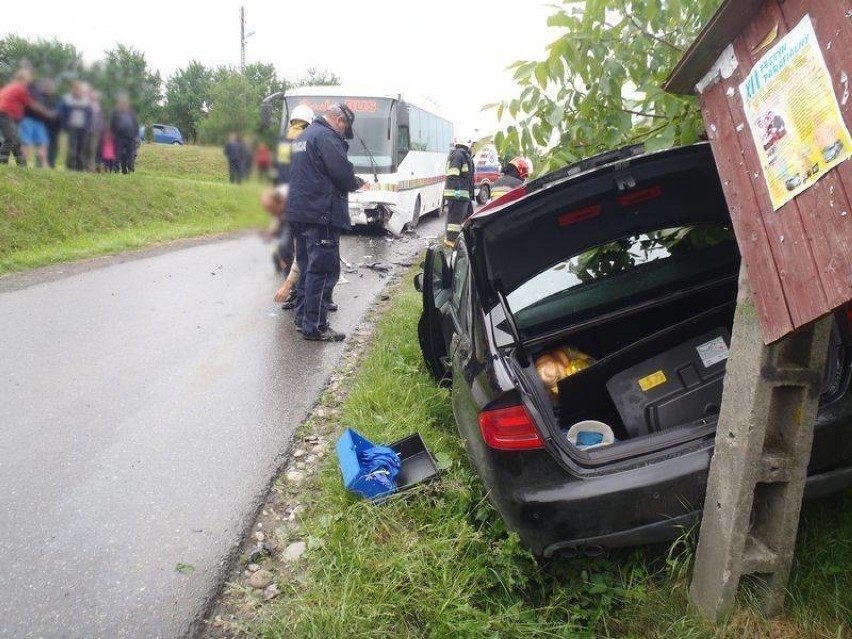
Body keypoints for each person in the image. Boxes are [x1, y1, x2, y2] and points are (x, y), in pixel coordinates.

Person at [288, 103, 364, 342]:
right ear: (340, 120)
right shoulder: (327, 137)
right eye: (345, 129)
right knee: (321, 271)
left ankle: (302, 319)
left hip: (300, 213)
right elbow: (342, 174)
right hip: (321, 215)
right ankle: (316, 326)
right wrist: (356, 182)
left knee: (306, 266)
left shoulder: (304, 136)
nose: (343, 134)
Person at [0, 67, 54, 166]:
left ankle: (21, 163)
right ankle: (2, 160)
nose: (29, 82)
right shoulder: (20, 88)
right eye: (28, 79)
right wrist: (46, 112)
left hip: (9, 116)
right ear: (23, 79)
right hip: (6, 114)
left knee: (16, 139)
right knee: (10, 138)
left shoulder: (10, 86)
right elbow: (31, 104)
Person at [442, 138, 475, 248]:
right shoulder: (458, 155)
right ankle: (451, 241)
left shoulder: (464, 156)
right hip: (458, 195)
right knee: (455, 221)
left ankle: (466, 240)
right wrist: (458, 191)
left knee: (468, 218)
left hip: (464, 195)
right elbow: (453, 175)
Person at [274, 104, 313, 185]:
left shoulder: (283, 140)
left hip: (284, 186)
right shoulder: (308, 140)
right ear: (308, 123)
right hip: (301, 187)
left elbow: (281, 166)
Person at [59, 80, 92, 171]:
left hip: (83, 128)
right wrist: (64, 126)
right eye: (75, 89)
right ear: (72, 89)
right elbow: (62, 114)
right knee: (72, 148)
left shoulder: (86, 101)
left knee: (81, 148)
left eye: (79, 89)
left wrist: (88, 127)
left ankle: (80, 168)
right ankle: (70, 167)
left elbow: (89, 116)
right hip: (71, 127)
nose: (77, 91)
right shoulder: (67, 99)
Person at [110, 93, 139, 174]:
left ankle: (130, 170)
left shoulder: (131, 113)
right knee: (118, 154)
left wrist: (136, 135)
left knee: (130, 155)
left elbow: (136, 125)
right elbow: (112, 124)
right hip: (119, 137)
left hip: (130, 137)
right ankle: (115, 169)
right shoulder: (115, 112)